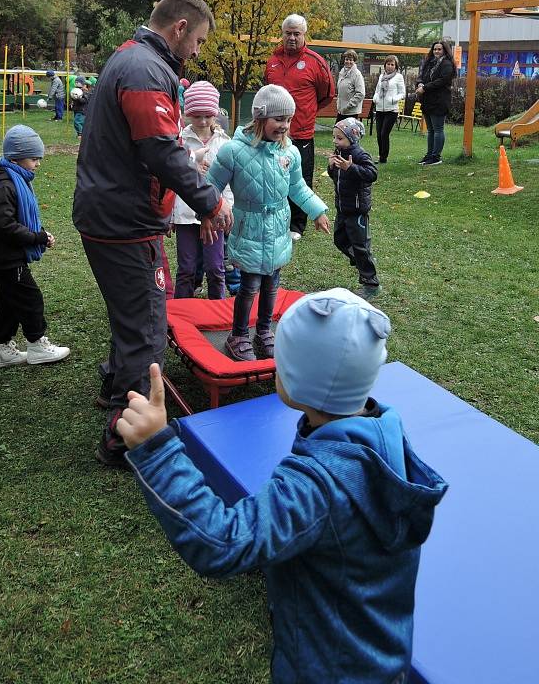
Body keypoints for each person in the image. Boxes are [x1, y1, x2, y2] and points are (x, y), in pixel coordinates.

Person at [117, 288, 448, 684]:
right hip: (382, 657)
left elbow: (222, 543)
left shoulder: (316, 485)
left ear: (298, 380)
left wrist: (157, 450)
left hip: (327, 669)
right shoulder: (383, 432)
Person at [73, 0, 232, 469]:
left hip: (109, 212)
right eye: (200, 41)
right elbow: (161, 150)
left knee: (132, 308)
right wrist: (208, 202)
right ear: (179, 29)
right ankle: (126, 435)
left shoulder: (130, 58)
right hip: (124, 221)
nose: (199, 51)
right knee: (147, 322)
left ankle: (113, 383)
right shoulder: (145, 70)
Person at [206, 84, 330, 361]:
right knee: (249, 286)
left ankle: (263, 331)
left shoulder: (289, 153)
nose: (285, 126)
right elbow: (210, 186)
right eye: (279, 119)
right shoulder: (233, 151)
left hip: (277, 229)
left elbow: (298, 187)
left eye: (288, 119)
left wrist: (317, 211)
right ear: (260, 117)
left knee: (272, 284)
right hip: (249, 228)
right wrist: (211, 212)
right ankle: (238, 334)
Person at [0, 125, 71, 367]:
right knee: (30, 298)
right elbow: (5, 226)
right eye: (33, 159)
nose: (38, 164)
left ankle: (0, 349)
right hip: (6, 256)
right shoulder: (3, 185)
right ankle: (37, 343)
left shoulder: (12, 179)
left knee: (9, 300)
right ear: (15, 157)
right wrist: (36, 237)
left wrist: (38, 234)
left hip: (4, 254)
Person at [265, 14, 335, 242]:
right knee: (273, 175)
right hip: (274, 132)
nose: (292, 38)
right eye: (288, 33)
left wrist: (307, 112)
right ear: (282, 34)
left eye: (297, 33)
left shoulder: (316, 62)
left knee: (299, 178)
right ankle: (277, 218)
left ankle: (297, 224)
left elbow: (326, 95)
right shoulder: (272, 61)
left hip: (301, 132)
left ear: (304, 35)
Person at [173, 80, 231, 299]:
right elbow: (173, 179)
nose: (203, 121)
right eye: (197, 116)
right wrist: (171, 215)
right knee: (186, 268)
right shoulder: (180, 141)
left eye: (208, 115)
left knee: (215, 268)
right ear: (188, 114)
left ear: (215, 114)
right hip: (186, 215)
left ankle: (219, 311)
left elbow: (229, 182)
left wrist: (228, 210)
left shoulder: (224, 143)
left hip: (215, 213)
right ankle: (182, 314)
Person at [328, 118, 380, 301]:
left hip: (357, 210)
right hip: (342, 208)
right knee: (339, 240)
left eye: (340, 138)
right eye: (334, 137)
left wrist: (351, 167)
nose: (335, 141)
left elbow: (372, 174)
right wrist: (331, 168)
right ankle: (362, 260)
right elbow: (337, 177)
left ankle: (370, 283)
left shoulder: (360, 155)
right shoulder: (339, 152)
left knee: (360, 245)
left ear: (352, 138)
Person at [415, 41, 457, 166]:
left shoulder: (447, 64)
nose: (436, 51)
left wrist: (425, 87)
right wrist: (420, 83)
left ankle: (436, 156)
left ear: (445, 50)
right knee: (431, 130)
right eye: (435, 49)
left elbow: (442, 81)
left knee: (438, 129)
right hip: (428, 101)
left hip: (440, 101)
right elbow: (421, 76)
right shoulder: (429, 62)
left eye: (439, 49)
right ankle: (429, 155)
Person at [372, 55, 406, 164]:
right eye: (388, 64)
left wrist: (393, 99)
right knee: (378, 135)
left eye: (392, 64)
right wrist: (375, 98)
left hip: (391, 110)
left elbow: (402, 93)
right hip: (380, 109)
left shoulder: (399, 77)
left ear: (396, 66)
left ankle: (383, 158)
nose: (390, 66)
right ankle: (380, 155)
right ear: (385, 65)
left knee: (384, 134)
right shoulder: (381, 76)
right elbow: (377, 90)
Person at [336, 49, 365, 122]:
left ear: (354, 61)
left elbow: (361, 93)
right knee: (337, 131)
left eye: (351, 60)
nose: (348, 62)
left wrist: (349, 105)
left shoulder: (357, 74)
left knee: (346, 133)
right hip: (341, 110)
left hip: (351, 111)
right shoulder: (342, 72)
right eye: (347, 59)